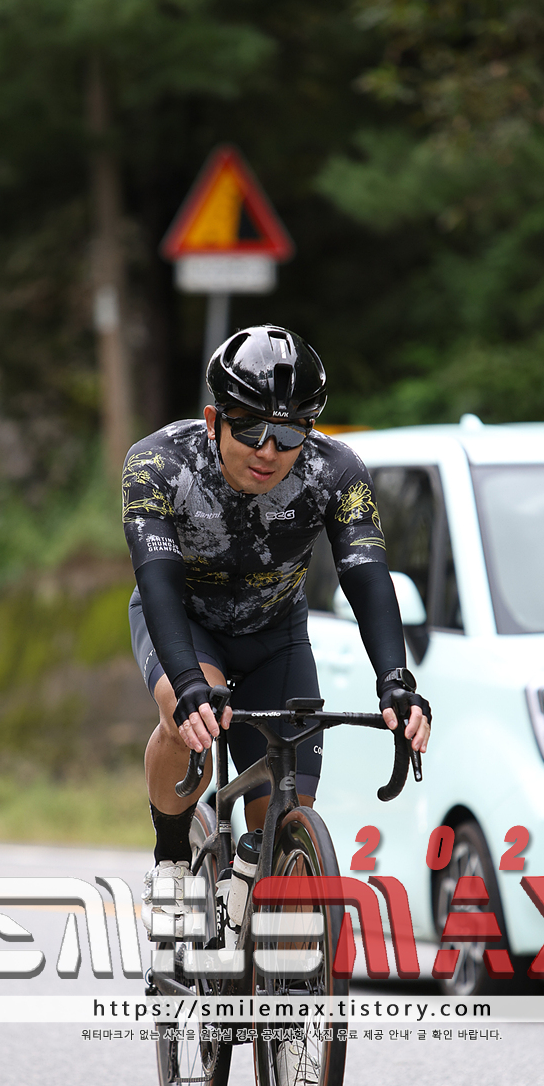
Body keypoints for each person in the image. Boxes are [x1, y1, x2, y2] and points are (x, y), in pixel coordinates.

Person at [122, 324, 431, 937]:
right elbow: (156, 582)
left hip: (276, 633)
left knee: (285, 821)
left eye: (289, 434)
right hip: (186, 621)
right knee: (188, 723)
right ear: (214, 420)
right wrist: (184, 681)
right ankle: (172, 852)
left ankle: (257, 898)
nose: (268, 450)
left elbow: (367, 576)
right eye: (250, 429)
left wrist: (396, 681)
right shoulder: (158, 464)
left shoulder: (335, 471)